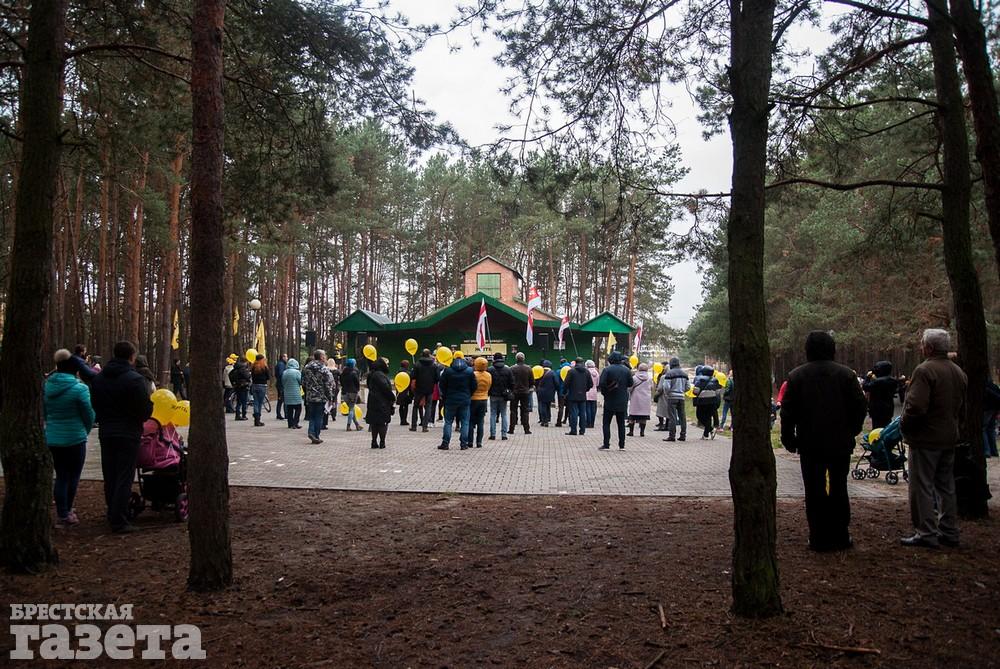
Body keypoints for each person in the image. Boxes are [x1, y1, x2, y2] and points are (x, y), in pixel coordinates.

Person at [780, 330, 867, 552]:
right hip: (840, 442)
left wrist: (789, 438)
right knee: (839, 487)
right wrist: (852, 430)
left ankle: (818, 536)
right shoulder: (846, 375)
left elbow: (788, 412)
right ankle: (840, 534)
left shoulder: (797, 376)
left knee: (814, 489)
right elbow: (860, 407)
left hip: (810, 442)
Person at [899, 329, 967, 548]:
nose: (921, 347)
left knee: (922, 486)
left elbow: (916, 406)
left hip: (926, 438)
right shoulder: (958, 371)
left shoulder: (925, 370)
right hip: (949, 437)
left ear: (929, 347)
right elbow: (962, 407)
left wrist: (904, 425)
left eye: (922, 344)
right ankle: (949, 530)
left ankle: (926, 532)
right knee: (946, 486)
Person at [89, 341, 154, 533]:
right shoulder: (134, 380)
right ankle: (119, 519)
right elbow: (144, 410)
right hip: (128, 432)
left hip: (106, 430)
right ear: (132, 357)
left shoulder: (99, 379)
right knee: (125, 475)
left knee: (110, 474)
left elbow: (95, 403)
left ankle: (112, 512)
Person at [45, 349, 96, 527]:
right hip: (75, 438)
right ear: (75, 370)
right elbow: (89, 414)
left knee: (61, 476)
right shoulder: (79, 389)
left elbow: (44, 412)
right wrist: (85, 430)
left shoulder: (46, 387)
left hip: (52, 438)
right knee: (73, 476)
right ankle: (67, 511)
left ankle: (62, 512)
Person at [438, 353, 477, 450]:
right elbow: (474, 385)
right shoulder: (469, 371)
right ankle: (464, 444)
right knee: (465, 422)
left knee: (448, 422)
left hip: (450, 399)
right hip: (465, 399)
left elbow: (442, 385)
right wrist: (469, 394)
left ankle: (445, 443)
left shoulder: (448, 371)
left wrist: (445, 395)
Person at [598, 352, 633, 450]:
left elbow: (602, 383)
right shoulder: (626, 370)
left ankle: (606, 444)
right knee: (621, 423)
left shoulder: (607, 370)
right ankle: (622, 445)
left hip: (610, 399)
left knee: (606, 423)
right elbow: (630, 383)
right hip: (622, 399)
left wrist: (605, 392)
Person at [302, 349, 336, 444]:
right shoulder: (324, 369)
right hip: (321, 396)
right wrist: (330, 397)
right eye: (324, 355)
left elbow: (303, 382)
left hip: (310, 396)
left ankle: (311, 432)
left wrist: (308, 392)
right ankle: (316, 435)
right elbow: (329, 384)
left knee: (312, 416)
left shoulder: (307, 368)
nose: (325, 357)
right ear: (321, 357)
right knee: (319, 416)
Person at [365, 357, 395, 449]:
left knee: (374, 423)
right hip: (382, 402)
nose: (388, 366)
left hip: (373, 401)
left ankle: (374, 441)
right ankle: (382, 442)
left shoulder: (372, 374)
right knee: (382, 423)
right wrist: (392, 397)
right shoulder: (380, 375)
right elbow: (385, 388)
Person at [863, 361, 898, 429]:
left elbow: (866, 387)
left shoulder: (878, 382)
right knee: (886, 427)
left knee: (877, 428)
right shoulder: (893, 380)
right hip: (888, 409)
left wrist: (867, 377)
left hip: (877, 410)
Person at [564, 356, 593, 436]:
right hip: (583, 395)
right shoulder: (587, 372)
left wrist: (565, 392)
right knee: (583, 413)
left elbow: (566, 383)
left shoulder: (571, 371)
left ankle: (573, 430)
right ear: (583, 363)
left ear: (575, 363)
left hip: (572, 395)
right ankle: (582, 430)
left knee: (574, 413)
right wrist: (585, 389)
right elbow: (591, 384)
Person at [661, 358, 689, 442]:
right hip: (681, 397)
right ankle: (683, 435)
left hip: (672, 397)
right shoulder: (685, 374)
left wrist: (667, 393)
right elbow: (688, 387)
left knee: (672, 417)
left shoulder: (669, 373)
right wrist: (682, 391)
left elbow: (666, 387)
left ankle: (672, 436)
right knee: (682, 417)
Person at [487, 352, 514, 441]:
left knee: (493, 414)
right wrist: (508, 391)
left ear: (494, 359)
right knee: (504, 414)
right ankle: (504, 435)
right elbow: (512, 383)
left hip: (493, 395)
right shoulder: (508, 370)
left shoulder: (490, 369)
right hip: (504, 395)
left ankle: (493, 434)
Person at [411, 349, 439, 432]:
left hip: (419, 388)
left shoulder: (417, 364)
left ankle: (414, 426)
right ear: (429, 355)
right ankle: (425, 426)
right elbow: (437, 378)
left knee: (415, 406)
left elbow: (413, 376)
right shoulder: (434, 365)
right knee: (428, 406)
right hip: (429, 388)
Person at [692, 365, 722, 439]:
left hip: (701, 401)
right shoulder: (715, 380)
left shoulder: (700, 380)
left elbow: (695, 391)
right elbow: (718, 392)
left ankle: (709, 431)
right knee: (708, 417)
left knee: (699, 416)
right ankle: (707, 433)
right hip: (712, 401)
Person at [509, 352, 534, 434]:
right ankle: (526, 429)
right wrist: (528, 387)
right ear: (524, 359)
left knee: (513, 410)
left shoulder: (512, 368)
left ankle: (511, 429)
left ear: (516, 359)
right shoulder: (528, 369)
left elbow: (509, 380)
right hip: (525, 392)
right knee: (525, 410)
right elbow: (532, 381)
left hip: (514, 392)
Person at [470, 356, 493, 447]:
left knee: (471, 421)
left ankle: (470, 441)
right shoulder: (488, 375)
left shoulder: (473, 374)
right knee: (480, 422)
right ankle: (479, 442)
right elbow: (489, 386)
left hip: (473, 399)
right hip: (483, 399)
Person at [627, 362, 653, 437]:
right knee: (643, 416)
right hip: (646, 399)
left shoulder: (634, 378)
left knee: (632, 416)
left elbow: (630, 388)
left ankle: (631, 432)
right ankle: (642, 432)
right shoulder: (649, 379)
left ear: (638, 369)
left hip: (636, 399)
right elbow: (652, 388)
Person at [340, 358, 362, 431]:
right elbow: (357, 383)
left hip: (344, 393)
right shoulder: (354, 373)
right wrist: (357, 390)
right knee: (351, 409)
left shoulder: (343, 373)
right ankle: (348, 425)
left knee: (351, 409)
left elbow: (341, 383)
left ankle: (357, 425)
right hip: (352, 392)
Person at [280, 358, 303, 429]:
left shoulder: (285, 372)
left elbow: (283, 382)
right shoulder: (297, 372)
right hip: (296, 393)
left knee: (289, 409)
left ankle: (290, 423)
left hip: (287, 393)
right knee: (298, 408)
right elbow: (301, 381)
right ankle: (295, 423)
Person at [250, 354, 270, 427]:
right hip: (262, 385)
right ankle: (258, 419)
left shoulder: (253, 367)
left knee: (256, 402)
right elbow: (268, 377)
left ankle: (256, 419)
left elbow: (251, 376)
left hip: (254, 385)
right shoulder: (264, 367)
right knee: (260, 403)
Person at [535, 360, 558, 427]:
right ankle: (548, 419)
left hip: (540, 392)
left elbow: (535, 380)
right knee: (548, 405)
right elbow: (556, 383)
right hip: (550, 392)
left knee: (542, 406)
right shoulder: (552, 373)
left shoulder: (539, 371)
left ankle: (543, 420)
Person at [229, 357, 252, 421]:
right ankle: (244, 415)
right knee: (244, 401)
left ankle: (237, 414)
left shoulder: (235, 369)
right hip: (243, 386)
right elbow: (247, 376)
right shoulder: (243, 369)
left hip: (237, 386)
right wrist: (249, 374)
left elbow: (230, 375)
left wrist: (233, 383)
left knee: (238, 401)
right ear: (245, 362)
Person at [396, 359, 413, 427]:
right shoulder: (408, 373)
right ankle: (404, 420)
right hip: (406, 392)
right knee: (406, 406)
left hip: (399, 390)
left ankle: (401, 420)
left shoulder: (398, 372)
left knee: (401, 405)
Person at [585, 360, 600, 429]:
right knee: (593, 408)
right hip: (594, 391)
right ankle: (592, 423)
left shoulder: (586, 372)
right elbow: (597, 383)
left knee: (587, 408)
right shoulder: (596, 372)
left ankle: (588, 423)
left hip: (587, 391)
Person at [556, 360, 570, 427]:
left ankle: (559, 422)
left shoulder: (558, 371)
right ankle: (569, 421)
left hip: (561, 392)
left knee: (561, 407)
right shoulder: (571, 370)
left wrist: (558, 389)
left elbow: (557, 382)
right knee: (569, 407)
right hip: (569, 392)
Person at [274, 353, 288, 420]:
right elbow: (281, 374)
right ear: (283, 357)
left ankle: (279, 414)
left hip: (279, 384)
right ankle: (285, 414)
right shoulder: (281, 364)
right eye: (286, 357)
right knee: (284, 400)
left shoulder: (280, 364)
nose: (287, 358)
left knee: (280, 400)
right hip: (281, 385)